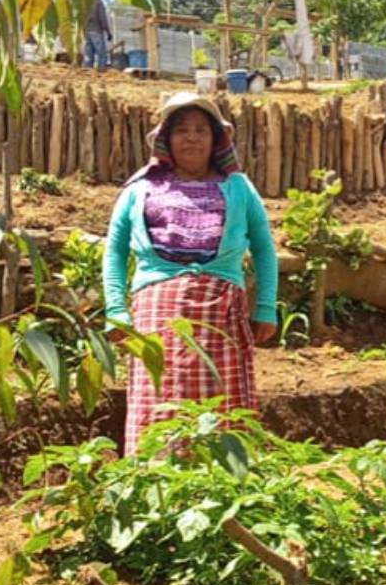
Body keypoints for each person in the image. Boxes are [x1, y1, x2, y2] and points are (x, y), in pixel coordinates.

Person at [103, 92, 278, 453]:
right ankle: (156, 485)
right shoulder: (141, 189)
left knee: (224, 401)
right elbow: (115, 251)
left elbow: (263, 248)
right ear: (166, 139)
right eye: (182, 130)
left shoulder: (239, 188)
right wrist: (116, 311)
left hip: (221, 313)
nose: (192, 137)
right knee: (159, 394)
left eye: (202, 130)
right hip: (155, 313)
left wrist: (266, 308)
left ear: (217, 140)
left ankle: (223, 487)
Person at [84, 0, 112, 71]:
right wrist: (108, 32)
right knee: (101, 52)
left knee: (88, 52)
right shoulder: (98, 3)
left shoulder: (86, 4)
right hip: (96, 31)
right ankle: (101, 69)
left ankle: (87, 69)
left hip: (87, 31)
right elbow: (103, 18)